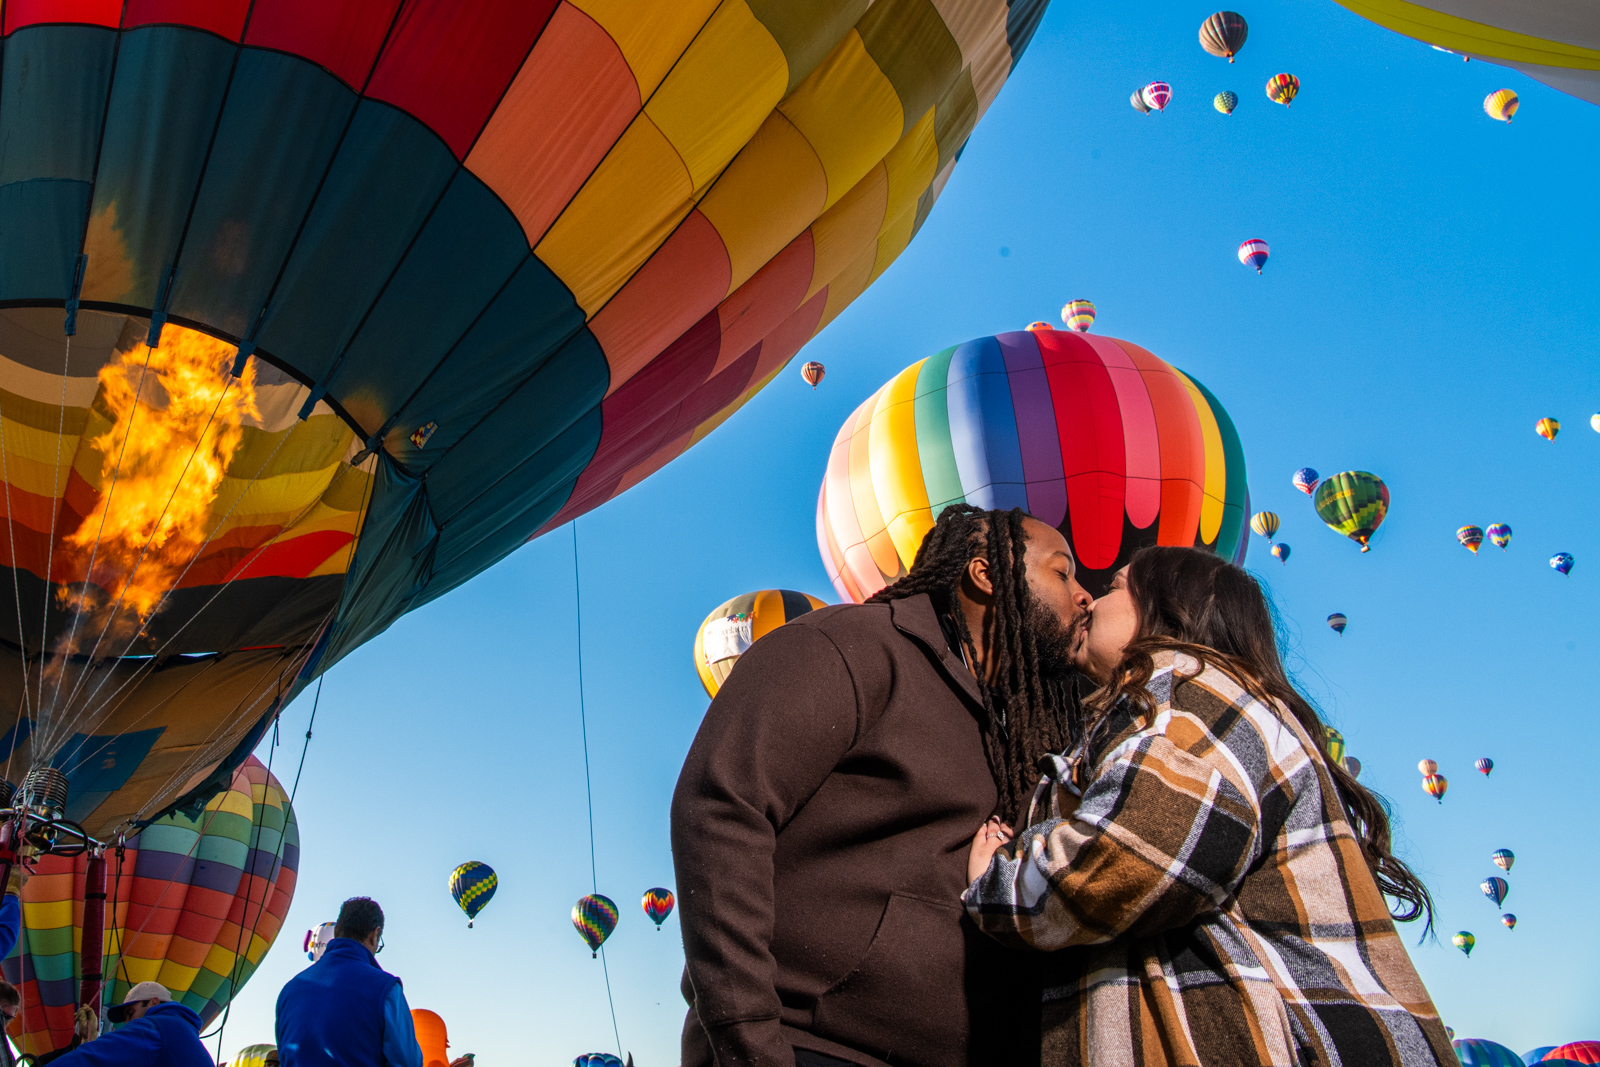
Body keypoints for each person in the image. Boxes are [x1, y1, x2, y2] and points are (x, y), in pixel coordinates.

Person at [964, 546, 1455, 1066]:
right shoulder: (1160, 711)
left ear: (1167, 608)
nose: (1084, 599)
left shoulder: (1184, 690)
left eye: (1111, 587)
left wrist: (996, 885)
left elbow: (1131, 855)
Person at [673, 504, 1094, 1067]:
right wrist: (749, 1038)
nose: (1084, 594)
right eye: (1062, 572)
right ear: (986, 573)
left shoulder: (1021, 733)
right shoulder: (850, 645)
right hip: (815, 1047)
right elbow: (722, 806)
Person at [276, 897, 422, 1067]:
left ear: (337, 930)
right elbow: (408, 1062)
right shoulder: (386, 989)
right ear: (375, 935)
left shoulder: (288, 991)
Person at [44, 981, 211, 1067]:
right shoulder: (181, 1032)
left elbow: (94, 1058)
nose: (127, 1023)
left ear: (153, 1003)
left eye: (130, 1014)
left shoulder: (158, 1027)